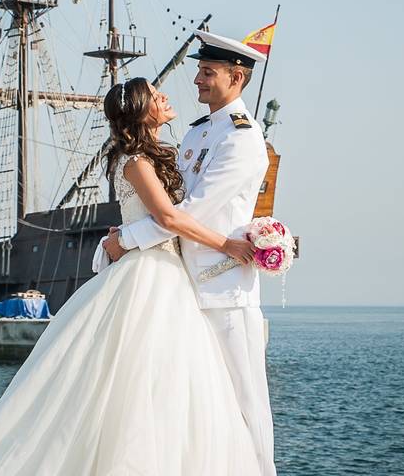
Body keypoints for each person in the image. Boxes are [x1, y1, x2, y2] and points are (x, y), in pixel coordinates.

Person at [0, 72, 260, 475]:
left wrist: (125, 236)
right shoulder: (136, 162)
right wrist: (225, 244)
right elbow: (169, 216)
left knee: (170, 379)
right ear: (142, 111)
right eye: (156, 96)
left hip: (170, 273)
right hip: (149, 275)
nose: (165, 98)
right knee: (135, 375)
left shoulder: (164, 153)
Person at [102, 30, 276, 475]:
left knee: (244, 401)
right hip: (178, 284)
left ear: (237, 77)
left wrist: (125, 239)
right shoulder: (200, 133)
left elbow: (190, 211)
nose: (196, 79)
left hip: (221, 285)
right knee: (195, 404)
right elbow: (166, 205)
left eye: (207, 72)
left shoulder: (241, 138)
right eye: (199, 70)